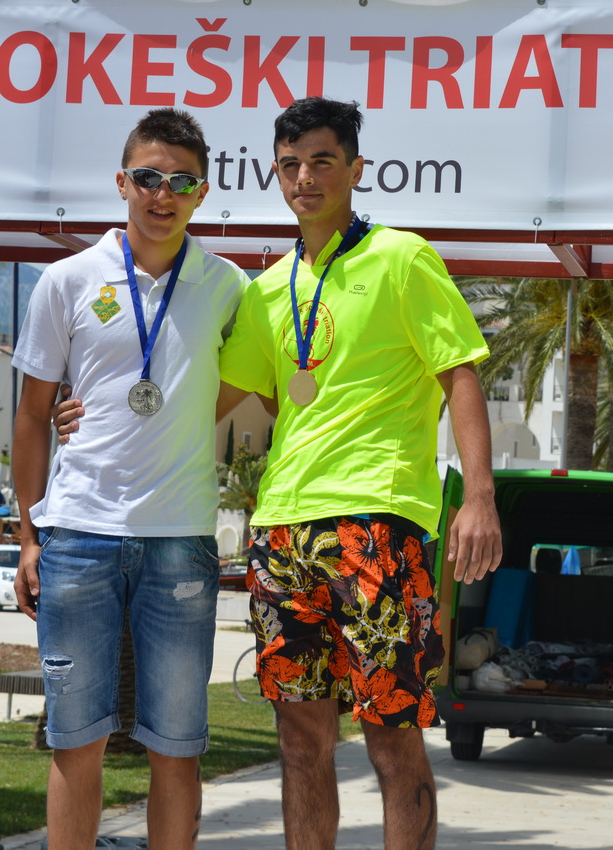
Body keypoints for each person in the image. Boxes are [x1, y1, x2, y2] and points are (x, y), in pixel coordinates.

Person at [216, 97, 503, 850]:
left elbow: (460, 374)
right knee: (299, 742)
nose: (304, 178)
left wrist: (479, 496)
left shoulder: (402, 258)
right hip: (282, 531)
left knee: (390, 739)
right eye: (290, 164)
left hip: (376, 522)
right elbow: (220, 400)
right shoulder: (268, 288)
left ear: (356, 169)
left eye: (322, 161)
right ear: (275, 173)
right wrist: (97, 410)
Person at [11, 108, 248, 850]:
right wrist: (28, 536)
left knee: (176, 748)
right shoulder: (67, 280)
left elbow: (241, 383)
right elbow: (31, 416)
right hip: (78, 536)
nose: (162, 194)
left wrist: (174, 409)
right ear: (122, 182)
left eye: (182, 182)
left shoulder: (229, 285)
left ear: (203, 192)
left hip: (181, 542)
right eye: (148, 177)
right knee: (74, 742)